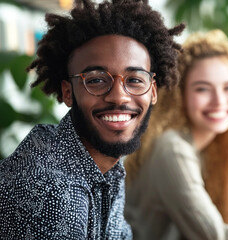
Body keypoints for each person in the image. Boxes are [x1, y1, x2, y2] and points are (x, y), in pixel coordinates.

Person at [0, 0, 184, 238]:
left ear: (153, 91)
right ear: (68, 92)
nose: (119, 96)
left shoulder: (103, 165)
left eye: (135, 80)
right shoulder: (51, 189)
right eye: (96, 80)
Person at [124, 30, 228, 239]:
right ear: (180, 95)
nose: (219, 101)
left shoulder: (206, 148)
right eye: (202, 89)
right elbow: (215, 237)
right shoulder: (172, 148)